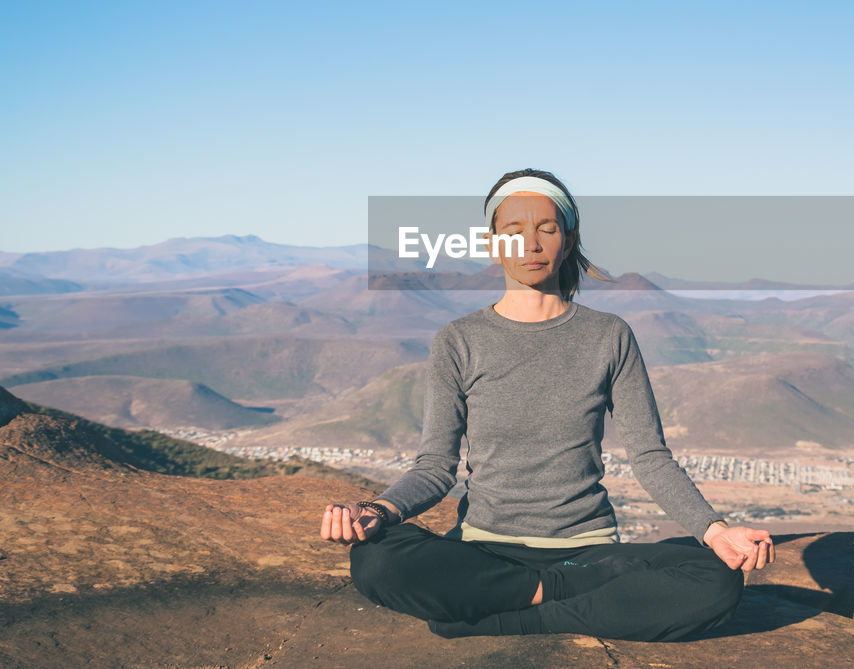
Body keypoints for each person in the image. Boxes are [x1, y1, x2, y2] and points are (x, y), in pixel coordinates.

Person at [319, 169, 774, 641]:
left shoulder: (609, 335)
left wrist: (715, 531)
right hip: (484, 548)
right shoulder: (459, 340)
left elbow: (650, 458)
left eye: (547, 229)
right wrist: (379, 510)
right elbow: (435, 465)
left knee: (717, 580)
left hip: (588, 552)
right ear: (492, 243)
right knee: (375, 559)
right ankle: (563, 596)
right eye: (514, 231)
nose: (531, 244)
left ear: (569, 239)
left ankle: (501, 611)